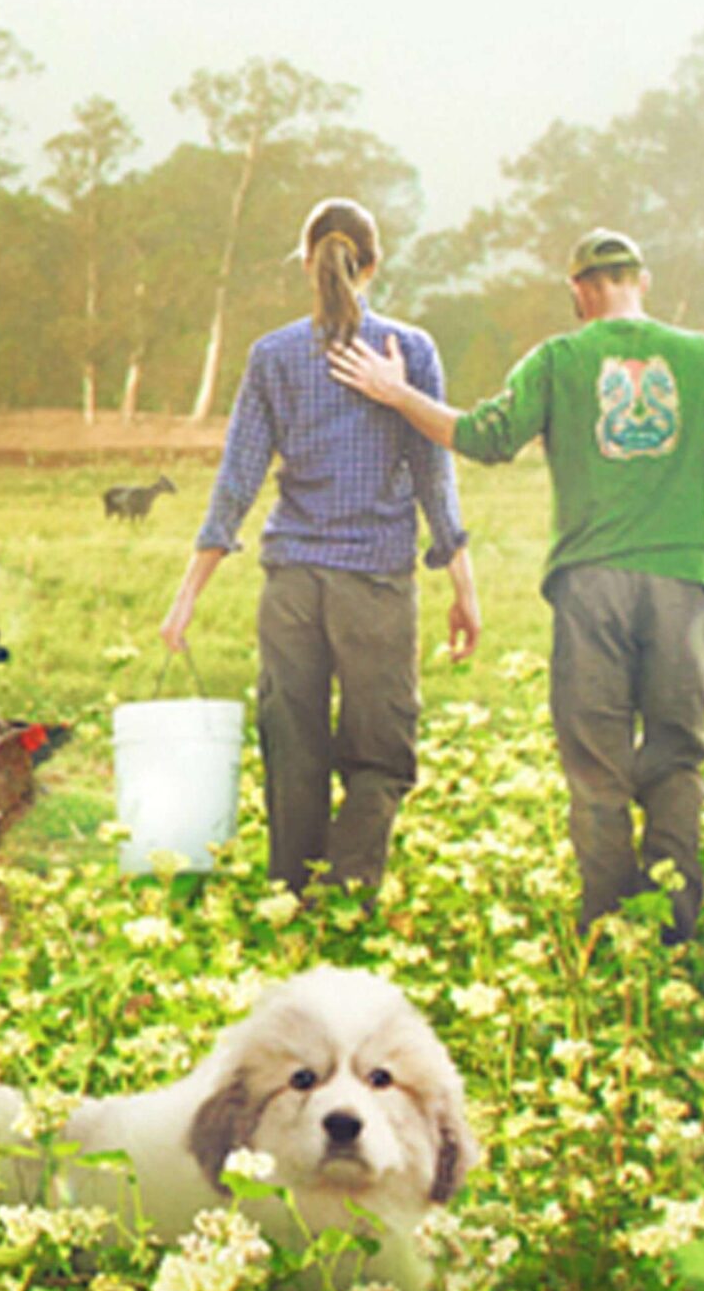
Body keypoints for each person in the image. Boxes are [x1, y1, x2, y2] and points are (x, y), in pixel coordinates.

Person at [327, 228, 704, 944]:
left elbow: (485, 436)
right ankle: (674, 927)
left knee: (596, 764)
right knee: (677, 753)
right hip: (682, 587)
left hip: (592, 592)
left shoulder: (560, 358)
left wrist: (398, 395)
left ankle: (605, 927)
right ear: (640, 280)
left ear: (582, 293)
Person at [162, 198, 480, 898]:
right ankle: (347, 891)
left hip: (293, 587)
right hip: (374, 585)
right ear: (374, 264)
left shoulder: (273, 355)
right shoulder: (411, 352)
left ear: (308, 261)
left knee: (293, 755)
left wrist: (186, 597)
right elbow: (435, 475)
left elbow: (236, 482)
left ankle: (293, 901)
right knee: (381, 757)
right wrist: (465, 586)